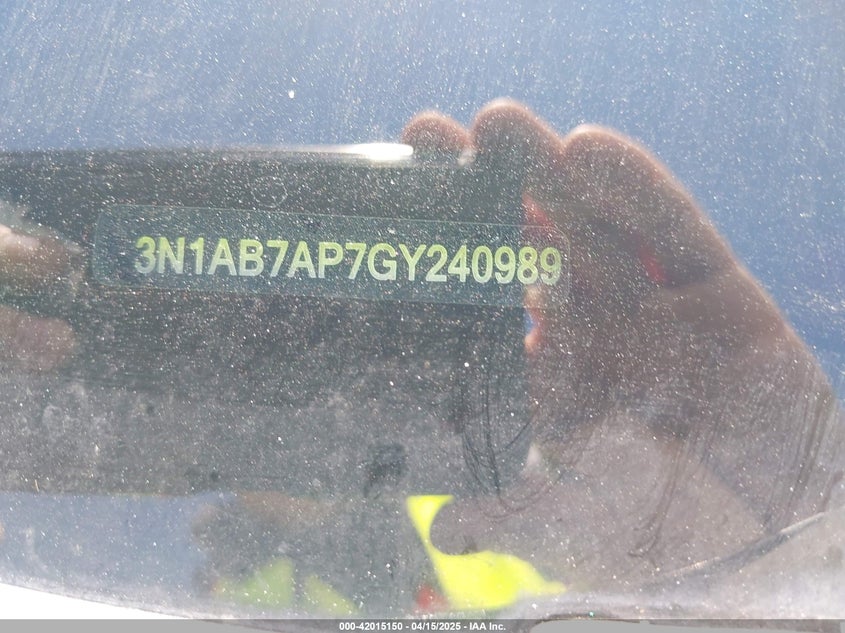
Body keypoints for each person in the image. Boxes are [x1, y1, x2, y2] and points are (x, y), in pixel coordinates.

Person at [1, 100, 842, 615]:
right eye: (229, 327)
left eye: (318, 317)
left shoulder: (510, 506)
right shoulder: (101, 579)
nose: (281, 360)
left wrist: (783, 571)